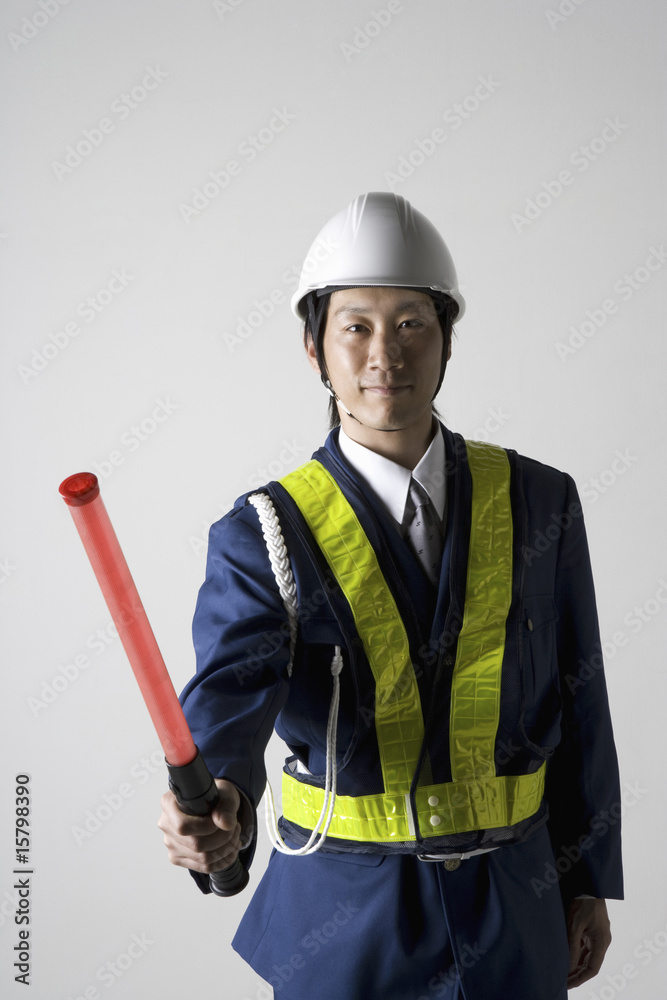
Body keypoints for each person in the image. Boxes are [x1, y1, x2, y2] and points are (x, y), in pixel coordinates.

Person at [158, 192, 623, 1000]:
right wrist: (219, 799)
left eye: (411, 323)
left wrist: (585, 879)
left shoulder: (539, 501)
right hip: (344, 931)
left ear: (447, 339)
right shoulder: (263, 532)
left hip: (515, 916)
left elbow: (580, 701)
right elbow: (230, 694)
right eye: (356, 327)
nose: (385, 355)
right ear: (313, 347)